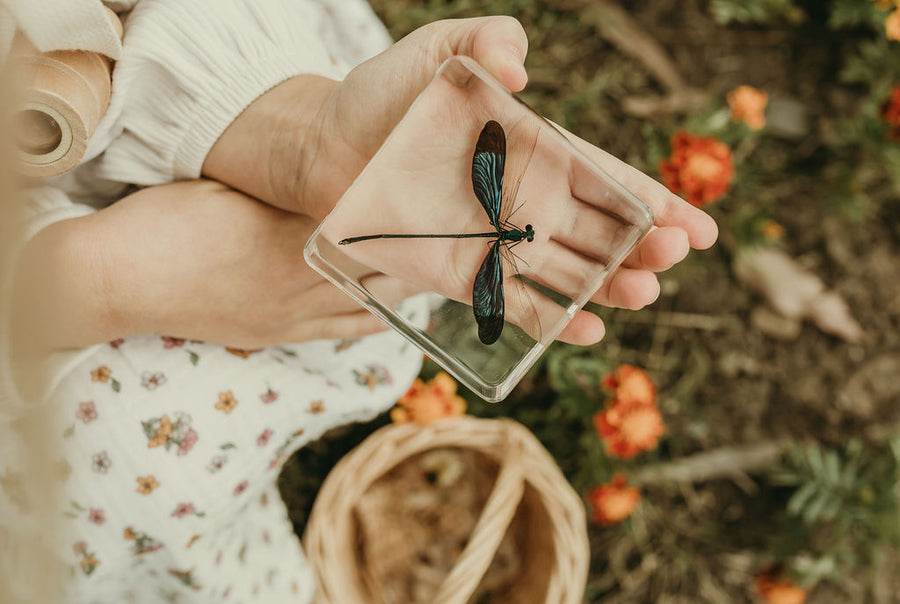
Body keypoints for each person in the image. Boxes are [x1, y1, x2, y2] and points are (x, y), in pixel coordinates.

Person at [1, 0, 718, 602]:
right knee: (118, 464)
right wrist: (97, 281)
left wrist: (294, 134)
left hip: (127, 88)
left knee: (363, 278)